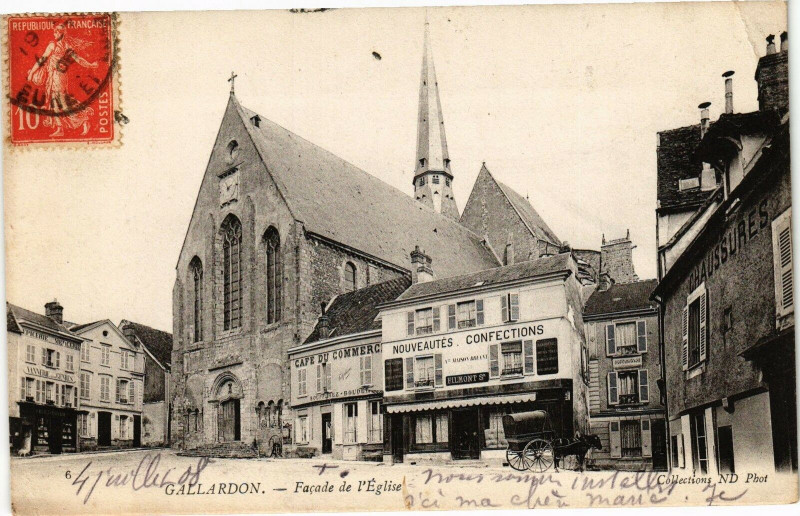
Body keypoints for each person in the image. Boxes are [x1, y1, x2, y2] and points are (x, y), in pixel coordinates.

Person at [26, 21, 99, 136]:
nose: (54, 33)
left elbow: (77, 59)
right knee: (55, 103)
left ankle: (83, 120)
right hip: (54, 77)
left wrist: (91, 65)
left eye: (57, 32)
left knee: (61, 104)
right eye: (54, 31)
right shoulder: (61, 46)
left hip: (58, 77)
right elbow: (42, 60)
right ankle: (61, 129)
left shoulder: (57, 46)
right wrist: (91, 65)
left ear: (62, 33)